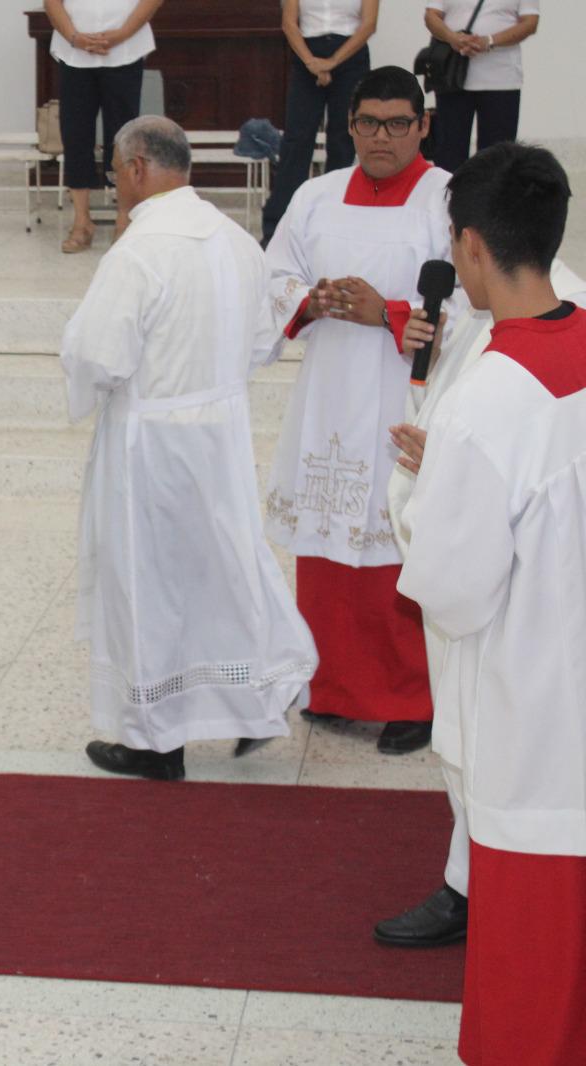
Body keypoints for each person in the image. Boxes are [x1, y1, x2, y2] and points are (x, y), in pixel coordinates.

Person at [393, 142, 585, 1065]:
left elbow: (455, 593)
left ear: (469, 247)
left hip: (539, 716)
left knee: (533, 976)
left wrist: (429, 496)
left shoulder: (487, 401)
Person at [61, 116, 317, 781]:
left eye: (117, 172)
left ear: (139, 167)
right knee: (225, 564)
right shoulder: (235, 240)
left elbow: (99, 356)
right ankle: (260, 692)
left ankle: (154, 741)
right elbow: (266, 342)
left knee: (150, 583)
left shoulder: (140, 252)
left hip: (151, 446)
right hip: (220, 434)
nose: (118, 185)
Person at [372, 256, 585, 951]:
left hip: (519, 608)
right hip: (549, 587)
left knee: (503, 760)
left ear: (473, 242)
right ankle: (477, 882)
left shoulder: (511, 365)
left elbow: (454, 587)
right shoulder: (535, 319)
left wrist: (440, 477)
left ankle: (485, 895)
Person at [263, 66, 457, 756]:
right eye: (369, 123)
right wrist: (310, 302)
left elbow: (472, 300)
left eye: (398, 123)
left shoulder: (448, 200)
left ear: (423, 125)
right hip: (330, 396)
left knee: (396, 543)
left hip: (405, 395)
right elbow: (275, 274)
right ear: (347, 126)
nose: (382, 137)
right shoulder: (314, 197)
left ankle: (412, 698)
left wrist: (391, 313)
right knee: (325, 540)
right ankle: (333, 686)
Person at [42, 0, 164, 253]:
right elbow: (52, 2)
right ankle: (81, 222)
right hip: (74, 50)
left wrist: (122, 34)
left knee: (124, 139)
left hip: (125, 48)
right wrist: (74, 38)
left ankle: (124, 218)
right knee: (75, 135)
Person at [260, 0, 379, 245]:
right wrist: (312, 63)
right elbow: (289, 24)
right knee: (297, 140)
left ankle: (336, 220)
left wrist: (332, 62)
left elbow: (368, 25)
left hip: (350, 55)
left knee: (343, 139)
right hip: (307, 54)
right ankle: (277, 228)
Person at [424, 0, 540, 174]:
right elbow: (431, 15)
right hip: (452, 77)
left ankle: (494, 200)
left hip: (501, 80)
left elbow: (530, 22)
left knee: (498, 157)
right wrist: (452, 38)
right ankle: (448, 199)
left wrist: (490, 41)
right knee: (449, 153)